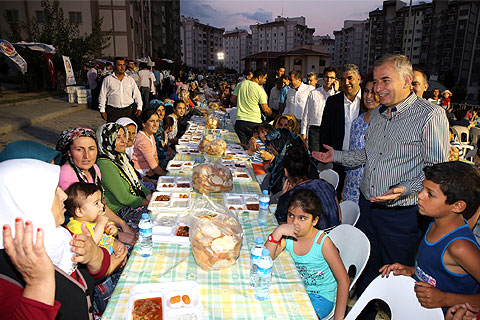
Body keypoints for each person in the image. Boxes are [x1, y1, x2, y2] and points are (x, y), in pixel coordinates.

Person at [313, 54, 449, 295]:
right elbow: (367, 155)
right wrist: (335, 156)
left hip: (401, 216)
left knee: (393, 278)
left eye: (385, 80)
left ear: (407, 80)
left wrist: (405, 188)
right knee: (368, 270)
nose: (377, 88)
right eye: (375, 81)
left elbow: (437, 170)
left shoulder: (429, 115)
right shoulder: (377, 114)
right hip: (368, 208)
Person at [0, 159, 111, 320]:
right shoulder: (5, 277)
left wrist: (93, 255)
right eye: (53, 190)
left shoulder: (58, 234)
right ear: (26, 201)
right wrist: (39, 285)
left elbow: (96, 271)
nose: (64, 195)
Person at [380, 162, 480, 313]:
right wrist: (413, 271)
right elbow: (438, 270)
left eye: (430, 194)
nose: (419, 195)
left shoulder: (460, 247)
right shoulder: (434, 223)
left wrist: (445, 298)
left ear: (458, 206)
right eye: (423, 189)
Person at [264, 189, 349, 319]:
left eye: (302, 218)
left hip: (321, 297)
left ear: (314, 221)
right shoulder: (289, 237)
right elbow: (267, 257)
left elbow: (344, 280)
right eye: (290, 215)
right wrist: (277, 232)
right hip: (298, 287)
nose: (294, 222)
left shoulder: (323, 243)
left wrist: (338, 318)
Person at [56, 127, 137, 245]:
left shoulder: (94, 169)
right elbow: (85, 219)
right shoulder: (66, 175)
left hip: (97, 226)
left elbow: (100, 204)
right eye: (79, 149)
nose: (86, 156)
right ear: (69, 152)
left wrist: (122, 225)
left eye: (91, 149)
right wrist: (117, 236)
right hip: (80, 235)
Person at [317, 64, 362, 197]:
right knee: (334, 194)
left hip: (360, 161)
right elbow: (325, 129)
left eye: (350, 78)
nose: (346, 83)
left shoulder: (367, 101)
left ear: (358, 79)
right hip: (337, 157)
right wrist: (325, 155)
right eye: (342, 79)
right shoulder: (333, 101)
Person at [65, 182, 127, 275]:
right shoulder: (76, 227)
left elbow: (111, 234)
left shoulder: (94, 219)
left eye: (101, 201)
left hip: (115, 259)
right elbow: (91, 245)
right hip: (101, 273)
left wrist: (113, 230)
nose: (102, 205)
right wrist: (101, 225)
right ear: (80, 211)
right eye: (96, 203)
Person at [275, 148, 340, 230]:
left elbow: (285, 228)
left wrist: (283, 198)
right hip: (336, 236)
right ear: (309, 167)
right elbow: (339, 216)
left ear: (286, 171)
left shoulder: (289, 197)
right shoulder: (326, 184)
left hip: (313, 241)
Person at [343, 72, 380, 203]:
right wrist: (344, 187)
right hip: (352, 187)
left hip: (374, 190)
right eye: (366, 91)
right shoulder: (357, 122)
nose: (369, 96)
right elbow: (351, 154)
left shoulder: (388, 123)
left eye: (374, 92)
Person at [262, 128, 315, 200]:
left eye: (272, 144)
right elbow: (269, 177)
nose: (269, 147)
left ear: (281, 143)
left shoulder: (295, 162)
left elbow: (287, 194)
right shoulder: (280, 159)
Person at [232, 69, 274, 146]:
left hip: (240, 121)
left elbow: (232, 100)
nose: (265, 81)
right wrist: (275, 116)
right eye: (264, 78)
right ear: (259, 77)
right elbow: (265, 109)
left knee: (241, 147)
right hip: (254, 123)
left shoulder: (241, 84)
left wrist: (240, 103)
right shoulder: (259, 90)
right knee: (254, 147)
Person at [98, 57, 143, 122]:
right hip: (113, 111)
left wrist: (139, 108)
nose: (122, 67)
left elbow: (137, 94)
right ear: (114, 66)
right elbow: (102, 95)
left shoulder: (130, 80)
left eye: (123, 65)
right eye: (119, 65)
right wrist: (102, 110)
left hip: (128, 111)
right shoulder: (108, 79)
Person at [132, 109, 167, 178]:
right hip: (143, 174)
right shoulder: (142, 140)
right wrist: (168, 176)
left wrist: (154, 169)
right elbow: (153, 165)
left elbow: (155, 156)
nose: (155, 124)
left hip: (151, 170)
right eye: (151, 121)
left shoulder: (150, 134)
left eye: (157, 121)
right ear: (144, 124)